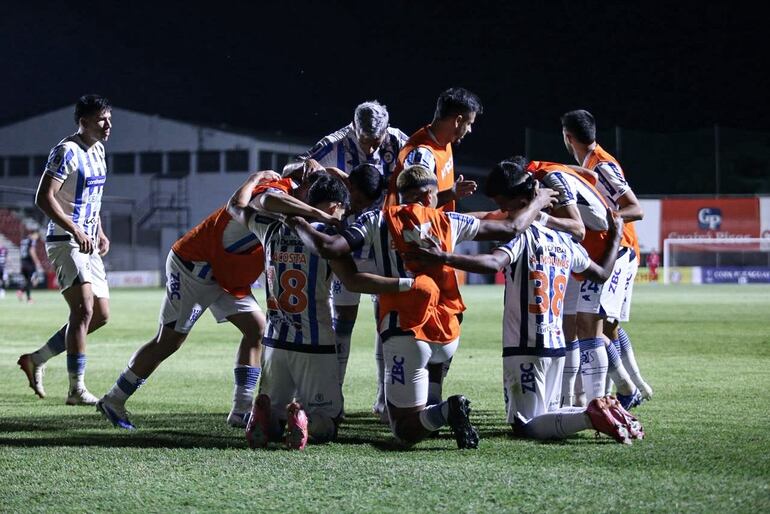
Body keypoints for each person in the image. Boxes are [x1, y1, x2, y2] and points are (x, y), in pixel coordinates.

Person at [288, 164, 558, 449]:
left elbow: (330, 247)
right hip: (448, 332)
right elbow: (512, 226)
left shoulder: (377, 219)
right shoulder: (450, 220)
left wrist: (298, 220)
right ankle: (433, 401)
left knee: (404, 430)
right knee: (428, 379)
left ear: (400, 195)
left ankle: (445, 410)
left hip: (406, 329)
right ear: (431, 194)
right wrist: (539, 201)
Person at [407, 160, 644, 444]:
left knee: (524, 425)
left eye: (506, 207)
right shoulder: (565, 240)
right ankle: (599, 409)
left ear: (521, 202)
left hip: (525, 347)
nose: (505, 212)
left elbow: (493, 262)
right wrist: (616, 235)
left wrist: (444, 257)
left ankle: (590, 415)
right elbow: (602, 273)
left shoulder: (523, 235)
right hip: (557, 347)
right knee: (549, 415)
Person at [228, 173, 415, 449]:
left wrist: (254, 178)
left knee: (277, 408)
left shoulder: (271, 227)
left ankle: (268, 418)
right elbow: (353, 281)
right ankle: (304, 418)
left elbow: (235, 206)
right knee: (329, 421)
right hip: (315, 344)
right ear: (333, 206)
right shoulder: (326, 237)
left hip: (275, 342)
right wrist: (407, 285)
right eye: (343, 206)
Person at [96, 170, 282, 430]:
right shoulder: (276, 195)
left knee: (257, 329)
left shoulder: (292, 200)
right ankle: (114, 399)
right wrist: (254, 178)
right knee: (169, 341)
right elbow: (244, 205)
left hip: (224, 273)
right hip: (194, 267)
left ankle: (241, 409)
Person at [292, 102, 408, 418]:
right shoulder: (333, 143)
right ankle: (333, 400)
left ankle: (386, 400)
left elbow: (417, 181)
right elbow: (294, 172)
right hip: (349, 244)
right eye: (365, 140)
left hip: (385, 242)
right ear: (353, 128)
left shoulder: (399, 141)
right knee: (342, 323)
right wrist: (320, 177)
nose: (371, 147)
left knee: (386, 321)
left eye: (377, 140)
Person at [382, 87, 482, 410]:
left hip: (432, 242)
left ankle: (428, 396)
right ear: (456, 120)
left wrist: (451, 194)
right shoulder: (422, 152)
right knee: (401, 323)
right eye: (468, 123)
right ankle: (392, 401)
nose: (470, 130)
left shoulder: (444, 144)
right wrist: (450, 192)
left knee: (445, 319)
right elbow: (411, 195)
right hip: (415, 248)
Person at [17, 94, 112, 405]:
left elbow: (92, 199)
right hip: (64, 239)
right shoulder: (66, 151)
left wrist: (98, 231)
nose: (108, 124)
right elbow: (44, 198)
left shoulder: (98, 150)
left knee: (100, 316)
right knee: (83, 309)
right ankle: (76, 389)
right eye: (101, 119)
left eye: (109, 118)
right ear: (83, 122)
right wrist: (76, 229)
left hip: (87, 240)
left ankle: (36, 359)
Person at [561, 109, 653, 401]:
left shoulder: (601, 165)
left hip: (617, 251)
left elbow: (635, 208)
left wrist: (606, 219)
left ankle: (625, 391)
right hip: (610, 251)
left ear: (568, 137)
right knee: (607, 327)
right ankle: (633, 386)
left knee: (591, 325)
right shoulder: (591, 163)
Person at [17, 230, 44, 303]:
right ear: (34, 234)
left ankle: (27, 297)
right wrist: (37, 261)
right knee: (33, 281)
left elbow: (22, 252)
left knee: (27, 281)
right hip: (29, 264)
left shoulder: (23, 240)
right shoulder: (32, 240)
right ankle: (22, 291)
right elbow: (31, 251)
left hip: (23, 263)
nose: (37, 237)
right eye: (37, 235)